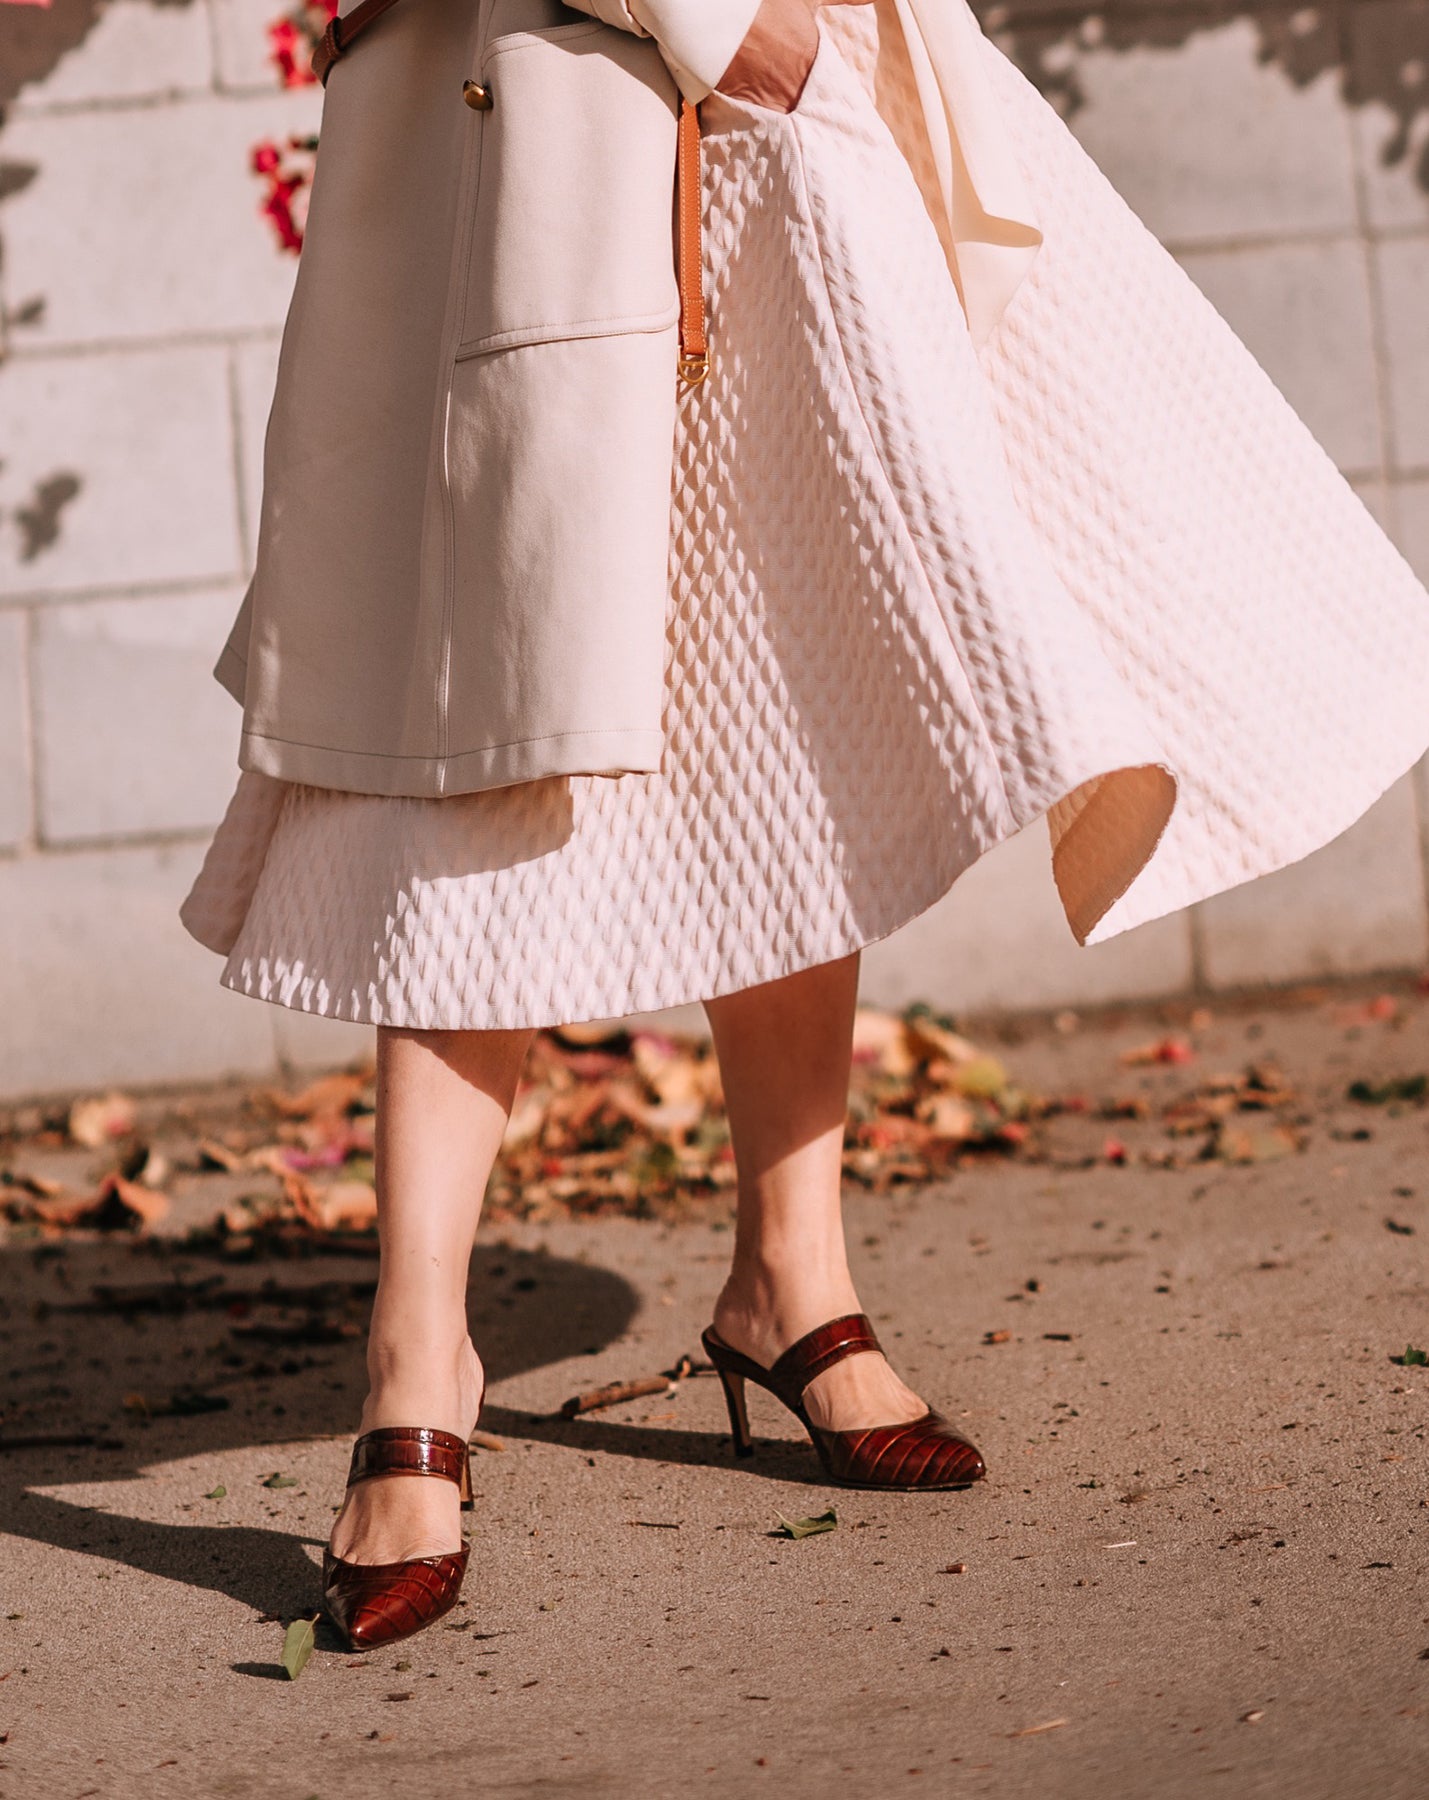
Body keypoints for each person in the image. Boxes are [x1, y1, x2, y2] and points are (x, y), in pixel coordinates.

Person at [181, 0, 1429, 1649]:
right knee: (495, 729)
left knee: (785, 701)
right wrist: (724, 24)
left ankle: (791, 1278)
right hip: (567, 98)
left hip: (768, 125)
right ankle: (419, 1363)